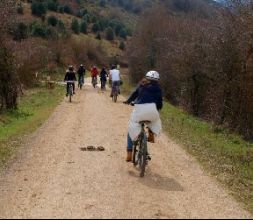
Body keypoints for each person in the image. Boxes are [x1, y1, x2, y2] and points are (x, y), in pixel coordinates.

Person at [123, 70, 163, 162]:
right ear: (157, 80)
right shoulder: (158, 89)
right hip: (152, 112)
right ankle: (151, 133)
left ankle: (129, 153)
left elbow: (134, 94)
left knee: (131, 128)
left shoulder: (142, 85)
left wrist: (128, 101)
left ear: (146, 78)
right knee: (154, 120)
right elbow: (160, 104)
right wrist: (158, 107)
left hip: (139, 111)